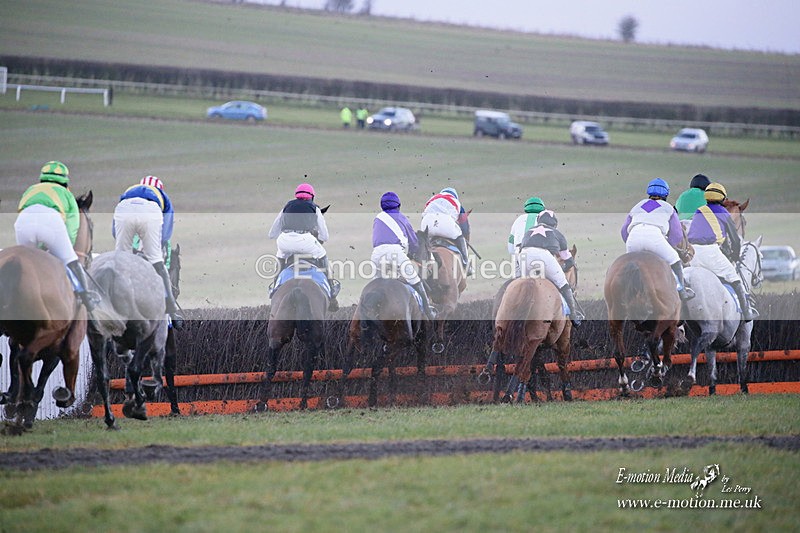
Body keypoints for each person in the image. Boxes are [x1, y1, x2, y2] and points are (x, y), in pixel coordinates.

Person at [15, 160, 100, 312]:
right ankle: (87, 300)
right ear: (65, 180)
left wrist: (41, 248)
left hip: (23, 223)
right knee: (72, 262)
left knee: (24, 266)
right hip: (51, 222)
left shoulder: (31, 189)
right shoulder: (66, 194)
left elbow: (26, 214)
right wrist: (65, 249)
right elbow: (72, 228)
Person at [113, 175, 183, 328]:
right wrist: (157, 249)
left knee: (119, 263)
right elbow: (165, 233)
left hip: (124, 211)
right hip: (150, 214)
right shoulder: (162, 197)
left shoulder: (129, 191)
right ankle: (172, 313)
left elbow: (115, 229)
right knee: (159, 266)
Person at [687, 182, 757, 321]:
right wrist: (735, 256)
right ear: (722, 198)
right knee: (735, 279)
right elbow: (735, 240)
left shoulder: (699, 210)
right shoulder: (724, 213)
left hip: (693, 254)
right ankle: (747, 312)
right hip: (711, 252)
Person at [268, 183, 340, 311]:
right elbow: (324, 236)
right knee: (323, 255)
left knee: (280, 257)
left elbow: (272, 233)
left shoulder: (286, 206)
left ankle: (274, 286)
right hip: (305, 241)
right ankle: (332, 290)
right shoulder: (314, 208)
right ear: (312, 197)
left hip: (284, 242)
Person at [621, 178, 695, 301]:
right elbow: (677, 235)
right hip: (654, 238)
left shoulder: (637, 206)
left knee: (630, 267)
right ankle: (682, 291)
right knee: (675, 259)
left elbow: (624, 231)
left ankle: (625, 293)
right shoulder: (668, 208)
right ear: (666, 194)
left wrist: (632, 243)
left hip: (633, 238)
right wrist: (667, 246)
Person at [371, 192, 436, 320]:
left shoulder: (377, 218)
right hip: (396, 253)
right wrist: (412, 254)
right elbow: (413, 242)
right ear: (398, 206)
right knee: (416, 281)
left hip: (376, 255)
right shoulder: (402, 218)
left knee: (376, 286)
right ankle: (428, 311)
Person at [518, 210, 584, 326]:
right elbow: (569, 262)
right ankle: (574, 316)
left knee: (521, 285)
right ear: (554, 224)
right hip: (544, 256)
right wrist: (560, 271)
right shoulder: (557, 233)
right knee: (564, 284)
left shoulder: (529, 231)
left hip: (523, 255)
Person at [421, 187, 470, 271]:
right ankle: (466, 263)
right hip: (446, 223)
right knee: (460, 237)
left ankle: (420, 263)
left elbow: (424, 215)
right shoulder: (456, 202)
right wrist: (464, 236)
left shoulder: (432, 200)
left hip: (427, 221)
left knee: (424, 241)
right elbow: (465, 227)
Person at [508, 196, 546, 277]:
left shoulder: (518, 220)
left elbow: (510, 249)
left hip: (519, 256)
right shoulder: (546, 219)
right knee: (560, 281)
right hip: (540, 257)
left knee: (512, 285)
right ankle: (566, 289)